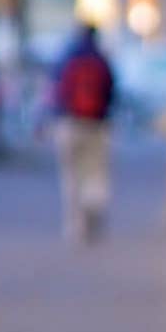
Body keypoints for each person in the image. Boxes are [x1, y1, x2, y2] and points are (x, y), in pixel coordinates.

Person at [53, 24, 115, 242]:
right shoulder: (102, 60)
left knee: (71, 176)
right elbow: (111, 92)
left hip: (69, 123)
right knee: (96, 171)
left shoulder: (66, 58)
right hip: (97, 125)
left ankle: (75, 226)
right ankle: (93, 204)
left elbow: (57, 92)